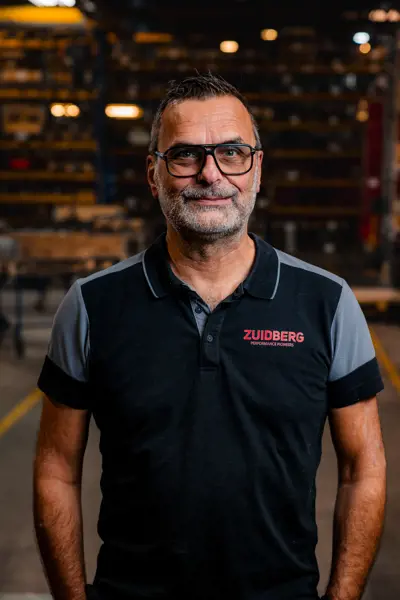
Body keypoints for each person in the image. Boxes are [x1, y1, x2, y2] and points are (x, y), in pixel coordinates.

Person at [33, 74, 387, 600]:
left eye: (232, 153)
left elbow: (364, 469)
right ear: (153, 174)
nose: (211, 174)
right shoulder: (91, 306)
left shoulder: (328, 304)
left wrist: (342, 596)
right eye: (185, 155)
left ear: (257, 168)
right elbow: (56, 469)